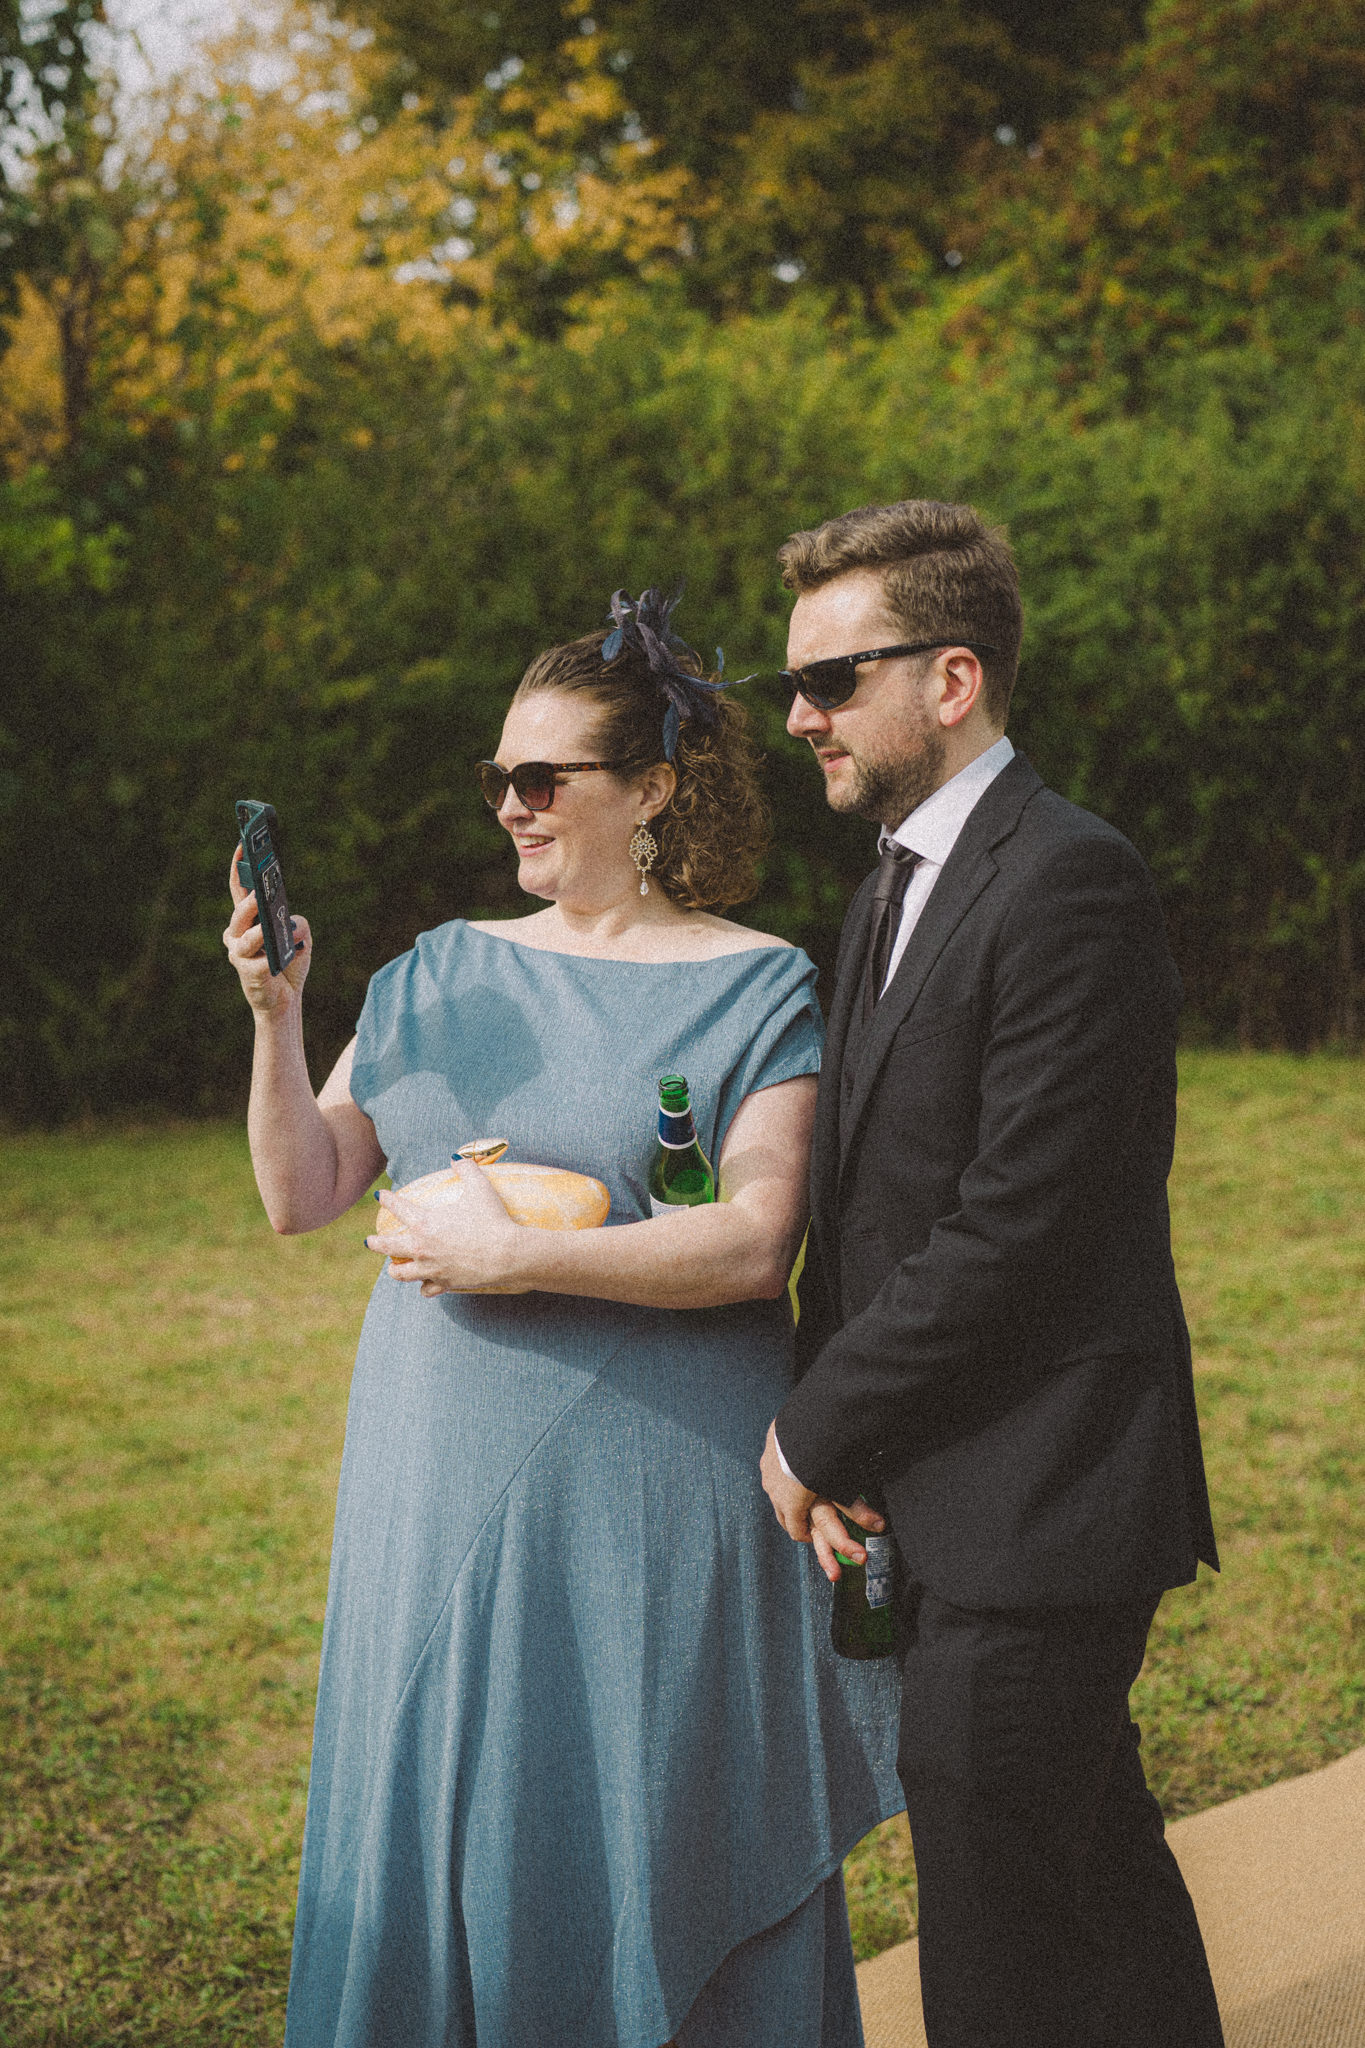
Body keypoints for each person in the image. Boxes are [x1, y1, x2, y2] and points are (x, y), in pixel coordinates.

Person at [223, 589, 902, 2048]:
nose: (512, 808)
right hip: (434, 1468)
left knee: (652, 1808)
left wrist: (506, 1258)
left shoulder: (754, 981)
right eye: (498, 780)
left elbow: (750, 1240)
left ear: (650, 789)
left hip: (659, 1486)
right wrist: (278, 1016)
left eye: (544, 780)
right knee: (449, 1793)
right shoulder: (434, 969)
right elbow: (305, 1191)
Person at [758, 501, 1226, 2048]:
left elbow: (1015, 1227)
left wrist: (814, 1428)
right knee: (1081, 1867)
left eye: (831, 680)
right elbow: (873, 1198)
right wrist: (859, 1444)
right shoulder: (890, 880)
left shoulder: (1066, 880)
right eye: (794, 685)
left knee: (995, 1916)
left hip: (1051, 1485)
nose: (798, 717)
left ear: (948, 680)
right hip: (946, 1485)